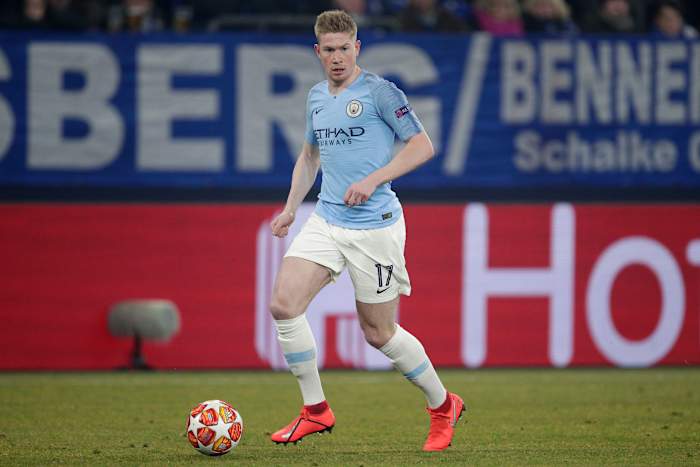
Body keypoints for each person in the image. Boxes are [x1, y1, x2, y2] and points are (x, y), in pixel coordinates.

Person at [267, 9, 465, 452]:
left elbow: (422, 146)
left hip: (375, 227)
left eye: (344, 48)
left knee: (378, 333)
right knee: (283, 304)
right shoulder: (317, 97)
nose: (337, 57)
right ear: (317, 52)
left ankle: (442, 405)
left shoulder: (380, 92)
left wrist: (374, 179)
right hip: (327, 219)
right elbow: (309, 157)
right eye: (329, 50)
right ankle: (315, 410)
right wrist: (290, 209)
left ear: (357, 48)